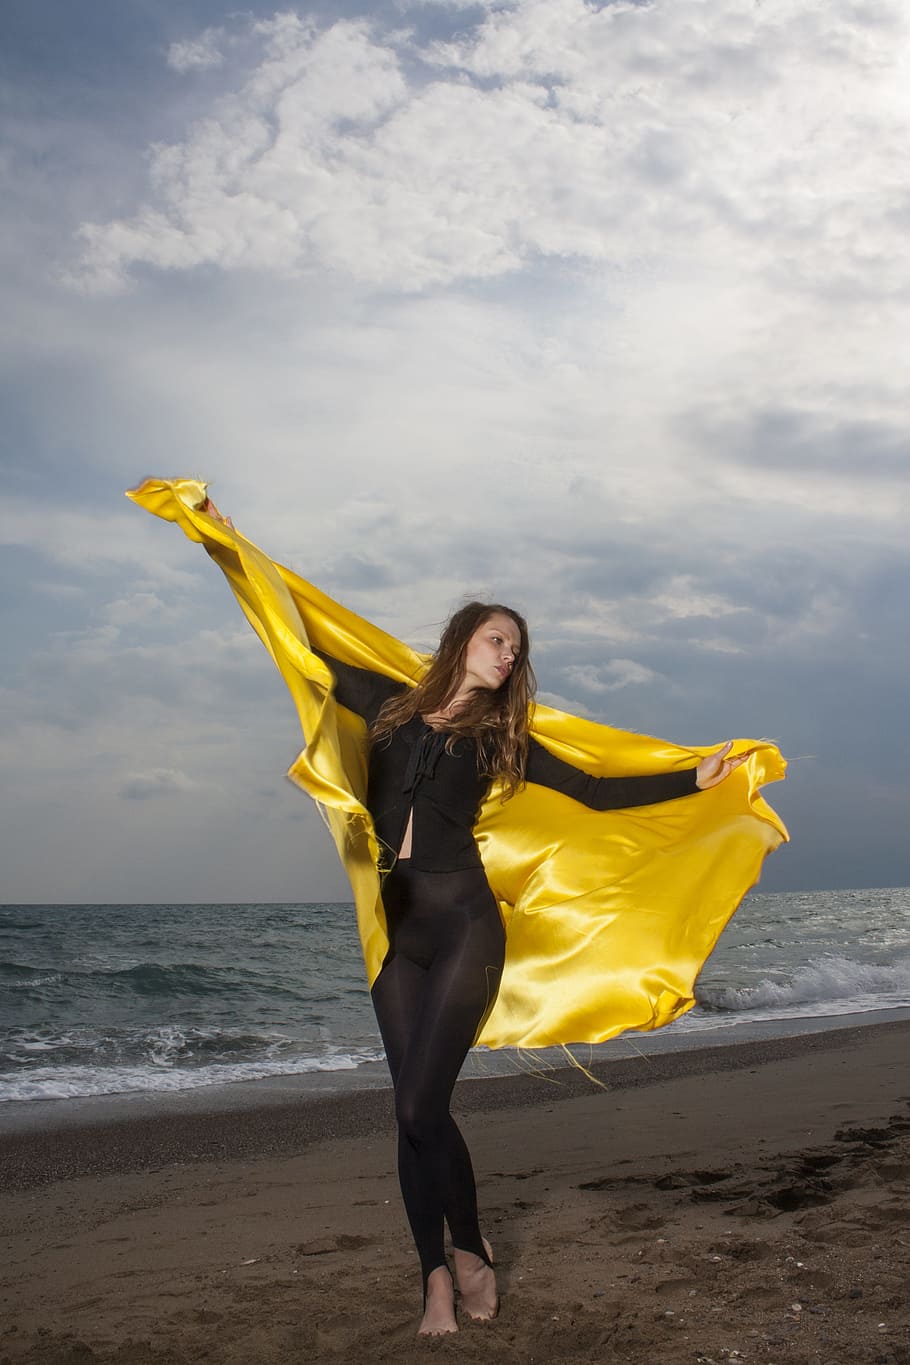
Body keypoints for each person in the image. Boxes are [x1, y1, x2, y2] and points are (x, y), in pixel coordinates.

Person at [202, 497, 742, 1335]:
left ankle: (470, 1249)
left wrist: (690, 779)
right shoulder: (385, 701)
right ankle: (436, 1281)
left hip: (463, 928)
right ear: (462, 639)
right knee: (408, 1111)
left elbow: (595, 789)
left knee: (423, 1108)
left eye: (515, 649)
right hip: (396, 934)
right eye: (497, 639)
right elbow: (293, 631)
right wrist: (226, 543)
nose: (507, 655)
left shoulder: (503, 736)